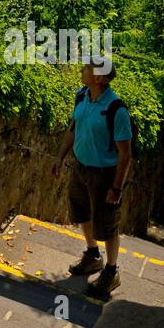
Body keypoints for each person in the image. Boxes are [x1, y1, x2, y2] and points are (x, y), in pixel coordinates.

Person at [52, 62, 133, 298]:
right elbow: (73, 128)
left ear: (100, 78)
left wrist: (116, 187)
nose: (82, 69)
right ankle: (93, 256)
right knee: (81, 213)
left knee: (107, 224)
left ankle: (111, 271)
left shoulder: (116, 110)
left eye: (87, 68)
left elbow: (125, 154)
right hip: (80, 167)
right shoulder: (82, 96)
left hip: (104, 174)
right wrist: (60, 157)